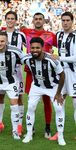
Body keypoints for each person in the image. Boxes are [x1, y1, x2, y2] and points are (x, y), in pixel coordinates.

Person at [22, 37, 66, 146]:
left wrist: (59, 93)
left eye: (38, 48)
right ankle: (29, 134)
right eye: (32, 48)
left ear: (42, 48)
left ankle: (60, 136)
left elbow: (62, 75)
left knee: (59, 108)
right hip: (36, 86)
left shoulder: (52, 60)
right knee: (31, 107)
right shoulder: (27, 58)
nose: (35, 50)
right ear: (29, 48)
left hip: (52, 87)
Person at [20, 12, 57, 138]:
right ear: (33, 20)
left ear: (44, 21)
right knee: (32, 102)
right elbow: (9, 29)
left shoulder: (51, 35)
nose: (38, 21)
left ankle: (48, 128)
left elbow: (61, 47)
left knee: (47, 101)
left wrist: (52, 52)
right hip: (31, 72)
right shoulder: (25, 32)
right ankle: (31, 129)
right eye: (36, 19)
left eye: (40, 19)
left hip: (48, 73)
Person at [0, 11, 27, 135]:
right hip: (1, 70)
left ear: (16, 20)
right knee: (0, 95)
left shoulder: (20, 35)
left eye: (12, 18)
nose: (10, 20)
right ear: (5, 19)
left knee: (19, 97)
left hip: (16, 70)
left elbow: (25, 50)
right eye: (8, 18)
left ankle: (19, 125)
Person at [50, 12, 76, 141]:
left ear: (72, 21)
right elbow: (54, 48)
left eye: (67, 20)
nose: (65, 23)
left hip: (73, 73)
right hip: (61, 73)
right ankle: (59, 132)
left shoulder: (75, 36)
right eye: (63, 20)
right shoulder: (58, 34)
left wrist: (60, 57)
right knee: (59, 102)